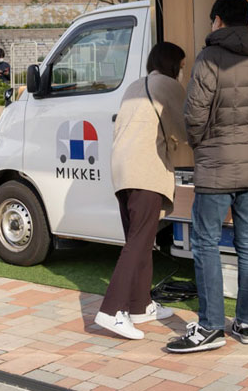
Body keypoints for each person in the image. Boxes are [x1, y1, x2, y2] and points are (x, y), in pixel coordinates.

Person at [167, 0, 248, 353]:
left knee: (206, 242)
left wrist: (202, 144)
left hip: (215, 165)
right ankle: (246, 324)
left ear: (219, 20)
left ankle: (209, 327)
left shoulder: (210, 58)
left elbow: (194, 114)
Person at [95, 42, 189, 340]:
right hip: (146, 172)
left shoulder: (135, 85)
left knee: (140, 241)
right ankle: (111, 311)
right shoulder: (169, 85)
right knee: (137, 243)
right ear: (175, 64)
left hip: (122, 172)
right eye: (182, 65)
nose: (184, 71)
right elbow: (184, 130)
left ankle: (141, 305)